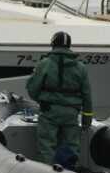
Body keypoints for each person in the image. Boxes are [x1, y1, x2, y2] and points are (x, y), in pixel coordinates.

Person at [25, 30, 93, 165]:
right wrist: (86, 119)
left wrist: (42, 101)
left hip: (49, 112)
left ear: (53, 44)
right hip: (71, 114)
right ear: (69, 46)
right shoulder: (81, 68)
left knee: (46, 146)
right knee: (71, 147)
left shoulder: (44, 64)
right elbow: (87, 95)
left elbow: (32, 88)